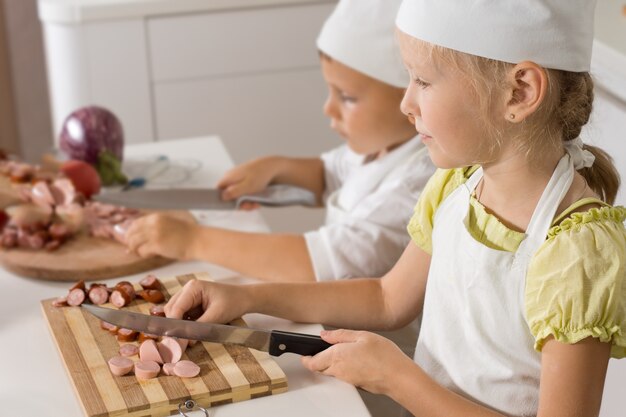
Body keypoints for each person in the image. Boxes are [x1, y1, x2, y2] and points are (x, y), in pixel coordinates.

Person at [160, 0, 626, 415]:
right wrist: (249, 298)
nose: (407, 102)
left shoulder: (576, 254)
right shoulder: (455, 187)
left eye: (423, 80)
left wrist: (398, 378)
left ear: (519, 92)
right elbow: (387, 299)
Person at [124, 0, 435, 283]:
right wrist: (278, 168)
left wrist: (193, 240)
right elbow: (333, 173)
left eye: (348, 97)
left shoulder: (419, 184)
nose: (328, 108)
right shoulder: (383, 148)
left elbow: (319, 264)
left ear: (410, 98)